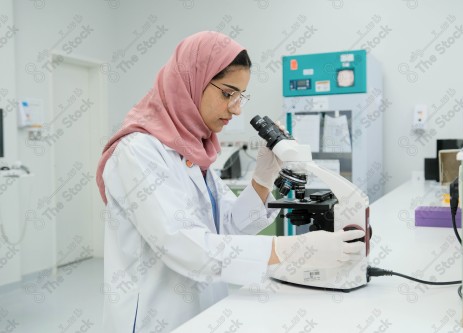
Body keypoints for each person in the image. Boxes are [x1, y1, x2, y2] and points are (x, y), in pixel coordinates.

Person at [96, 31, 365, 332]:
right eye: (228, 93)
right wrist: (292, 250)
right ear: (191, 82)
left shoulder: (195, 150)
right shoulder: (136, 153)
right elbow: (186, 247)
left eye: (241, 96)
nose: (237, 109)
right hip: (155, 319)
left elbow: (228, 226)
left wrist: (263, 180)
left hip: (206, 311)